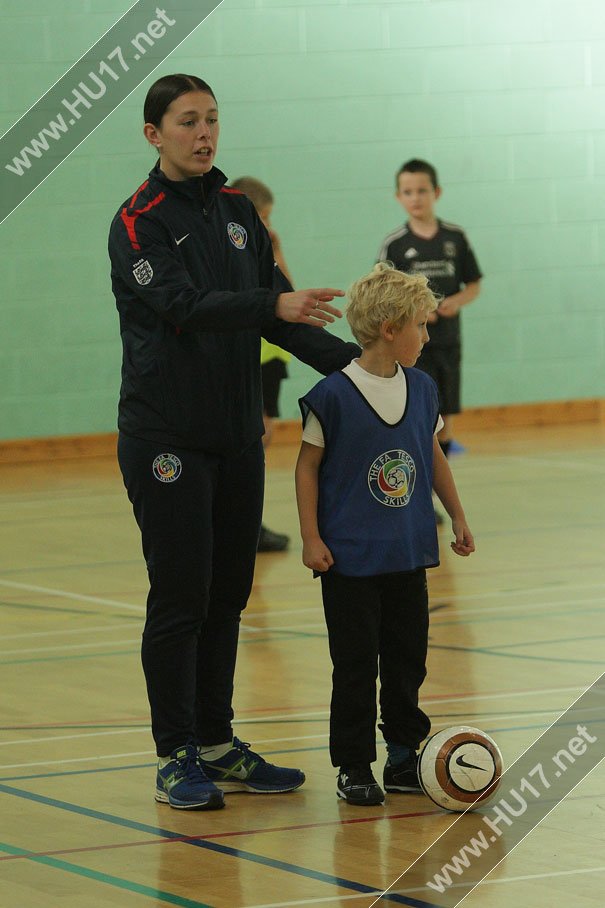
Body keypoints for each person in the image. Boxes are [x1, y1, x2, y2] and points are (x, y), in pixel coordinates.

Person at [108, 73, 360, 811]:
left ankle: (216, 743)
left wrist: (361, 367)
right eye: (187, 121)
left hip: (233, 436)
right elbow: (183, 307)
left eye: (212, 119)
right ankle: (173, 754)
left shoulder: (237, 211)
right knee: (181, 594)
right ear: (154, 135)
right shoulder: (137, 222)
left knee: (229, 595)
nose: (204, 133)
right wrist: (270, 301)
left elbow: (280, 320)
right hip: (165, 439)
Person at [295, 263, 475, 806]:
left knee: (406, 661)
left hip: (407, 552)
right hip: (348, 560)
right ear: (391, 328)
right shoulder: (331, 395)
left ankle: (402, 754)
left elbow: (434, 456)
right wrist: (310, 536)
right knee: (354, 665)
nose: (428, 334)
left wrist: (458, 516)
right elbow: (306, 468)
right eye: (422, 325)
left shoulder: (422, 389)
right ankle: (353, 765)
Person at [376, 159, 482, 522]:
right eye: (408, 192)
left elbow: (474, 284)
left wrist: (454, 302)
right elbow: (383, 293)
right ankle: (410, 493)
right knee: (414, 419)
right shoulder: (395, 244)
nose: (415, 198)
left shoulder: (455, 238)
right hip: (409, 351)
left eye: (422, 190)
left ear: (435, 193)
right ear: (398, 197)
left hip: (448, 343)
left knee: (445, 421)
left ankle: (434, 497)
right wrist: (417, 312)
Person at [230, 176, 293, 553]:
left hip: (271, 354)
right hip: (249, 352)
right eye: (263, 217)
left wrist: (276, 249)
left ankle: (249, 521)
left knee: (263, 436)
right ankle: (244, 525)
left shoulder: (265, 244)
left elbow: (287, 290)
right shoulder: (233, 249)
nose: (268, 225)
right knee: (253, 438)